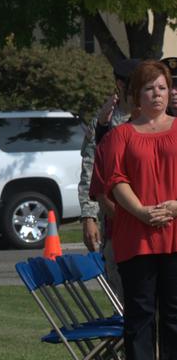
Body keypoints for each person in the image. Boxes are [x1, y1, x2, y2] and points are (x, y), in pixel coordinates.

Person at [92, 60, 177, 360]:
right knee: (140, 315)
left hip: (175, 232)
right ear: (135, 95)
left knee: (173, 315)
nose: (156, 95)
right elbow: (112, 181)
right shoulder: (120, 136)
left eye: (161, 87)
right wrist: (141, 211)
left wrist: (174, 206)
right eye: (148, 89)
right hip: (136, 236)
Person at [77, 57, 140, 298]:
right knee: (124, 297)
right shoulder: (105, 121)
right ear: (120, 85)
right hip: (115, 223)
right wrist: (88, 215)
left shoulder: (155, 118)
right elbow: (91, 170)